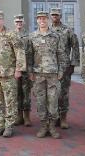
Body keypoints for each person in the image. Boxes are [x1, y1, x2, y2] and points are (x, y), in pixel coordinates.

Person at [27, 11, 65, 139]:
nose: (42, 20)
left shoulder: (55, 36)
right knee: (40, 101)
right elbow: (29, 56)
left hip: (53, 74)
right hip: (38, 74)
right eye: (40, 18)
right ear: (37, 20)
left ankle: (52, 126)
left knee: (53, 101)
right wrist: (30, 72)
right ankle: (44, 126)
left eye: (44, 18)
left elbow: (61, 54)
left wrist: (61, 71)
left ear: (48, 20)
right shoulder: (32, 36)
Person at [49, 8, 80, 129]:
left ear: (60, 16)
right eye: (53, 15)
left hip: (64, 67)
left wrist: (73, 64)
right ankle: (54, 117)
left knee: (63, 93)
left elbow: (75, 46)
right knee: (52, 93)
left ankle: (63, 118)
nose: (55, 17)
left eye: (57, 15)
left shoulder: (68, 30)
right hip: (51, 67)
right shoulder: (47, 30)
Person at [13, 14, 32, 127]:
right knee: (16, 93)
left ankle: (27, 117)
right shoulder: (11, 35)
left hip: (26, 69)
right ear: (14, 22)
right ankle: (18, 116)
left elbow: (31, 53)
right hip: (15, 69)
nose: (19, 23)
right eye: (17, 22)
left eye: (20, 22)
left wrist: (30, 70)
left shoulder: (28, 36)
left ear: (23, 22)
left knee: (26, 93)